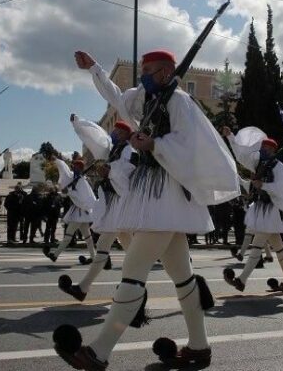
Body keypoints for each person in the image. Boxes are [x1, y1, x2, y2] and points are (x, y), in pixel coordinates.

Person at [52, 50, 239, 370]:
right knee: (184, 280)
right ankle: (199, 347)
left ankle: (99, 352)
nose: (143, 75)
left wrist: (154, 145)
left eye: (150, 70)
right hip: (155, 196)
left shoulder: (179, 102)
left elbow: (188, 144)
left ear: (167, 72)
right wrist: (95, 68)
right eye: (143, 69)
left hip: (165, 195)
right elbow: (119, 98)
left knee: (133, 274)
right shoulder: (148, 100)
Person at [221, 127, 283, 293]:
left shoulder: (278, 167)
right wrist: (231, 137)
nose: (263, 150)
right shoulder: (259, 164)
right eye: (262, 148)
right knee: (279, 247)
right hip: (262, 208)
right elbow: (242, 156)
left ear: (273, 150)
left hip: (272, 210)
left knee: (257, 245)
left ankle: (242, 280)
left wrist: (264, 185)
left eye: (266, 148)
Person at [58, 118, 135, 301]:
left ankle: (83, 288)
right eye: (114, 131)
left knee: (104, 245)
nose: (114, 134)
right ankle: (132, 285)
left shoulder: (128, 150)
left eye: (118, 131)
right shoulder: (116, 150)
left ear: (125, 134)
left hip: (119, 202)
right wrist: (78, 124)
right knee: (131, 249)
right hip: (114, 201)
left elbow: (128, 171)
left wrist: (109, 171)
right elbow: (95, 139)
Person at [44, 158, 96, 263]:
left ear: (81, 168)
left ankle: (55, 255)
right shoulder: (75, 178)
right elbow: (66, 187)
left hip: (80, 212)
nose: (74, 168)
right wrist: (67, 191)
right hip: (79, 212)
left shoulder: (82, 181)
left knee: (69, 236)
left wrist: (69, 192)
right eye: (74, 166)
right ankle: (93, 257)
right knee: (88, 237)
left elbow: (82, 197)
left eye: (77, 167)